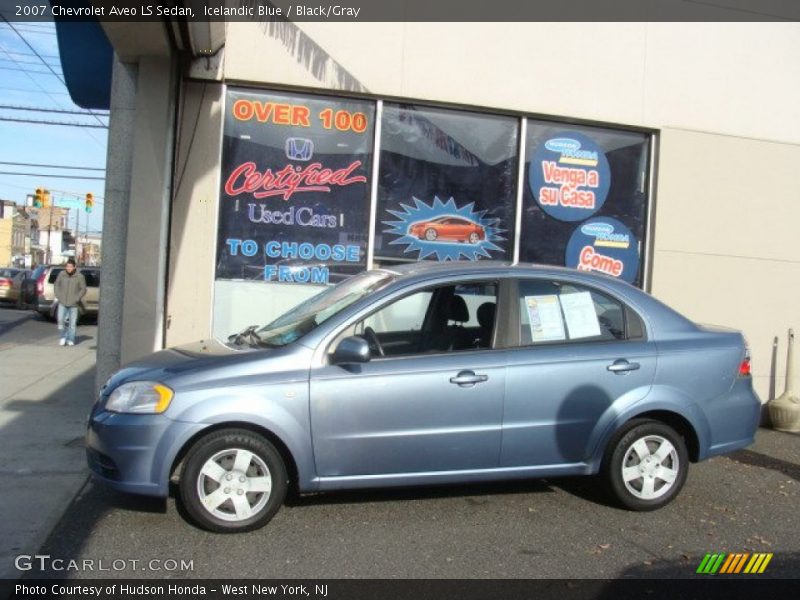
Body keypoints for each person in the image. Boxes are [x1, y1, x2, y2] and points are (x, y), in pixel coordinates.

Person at [54, 258, 87, 346]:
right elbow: (57, 285)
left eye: (70, 266)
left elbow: (83, 289)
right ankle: (63, 337)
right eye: (67, 266)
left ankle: (70, 339)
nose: (68, 268)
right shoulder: (61, 274)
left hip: (74, 303)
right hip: (62, 302)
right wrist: (58, 295)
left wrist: (77, 298)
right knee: (60, 320)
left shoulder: (79, 276)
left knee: (72, 323)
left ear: (74, 267)